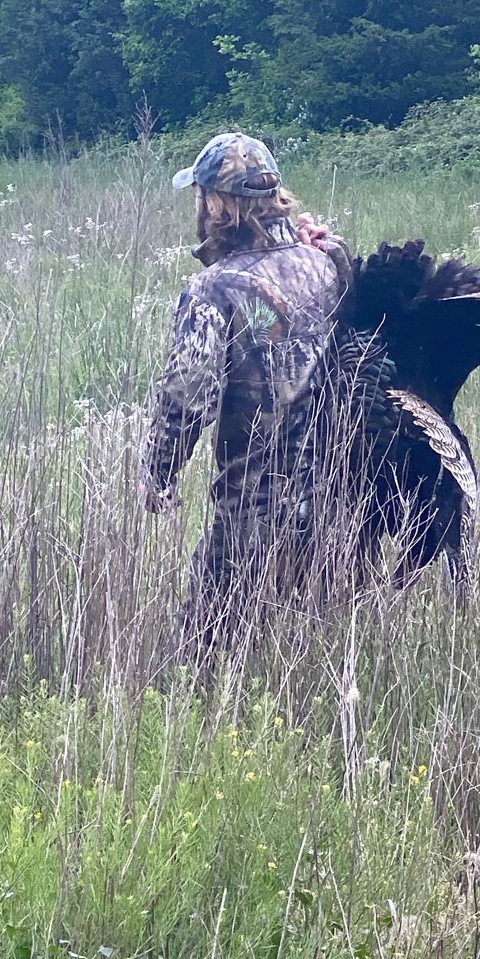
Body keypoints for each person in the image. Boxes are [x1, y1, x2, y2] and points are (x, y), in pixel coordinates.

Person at [138, 132, 354, 647]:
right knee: (308, 656)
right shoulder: (326, 265)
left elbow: (187, 395)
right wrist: (342, 257)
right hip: (332, 508)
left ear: (216, 202)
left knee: (205, 656)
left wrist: (158, 473)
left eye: (201, 197)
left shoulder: (214, 288)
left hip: (252, 514)